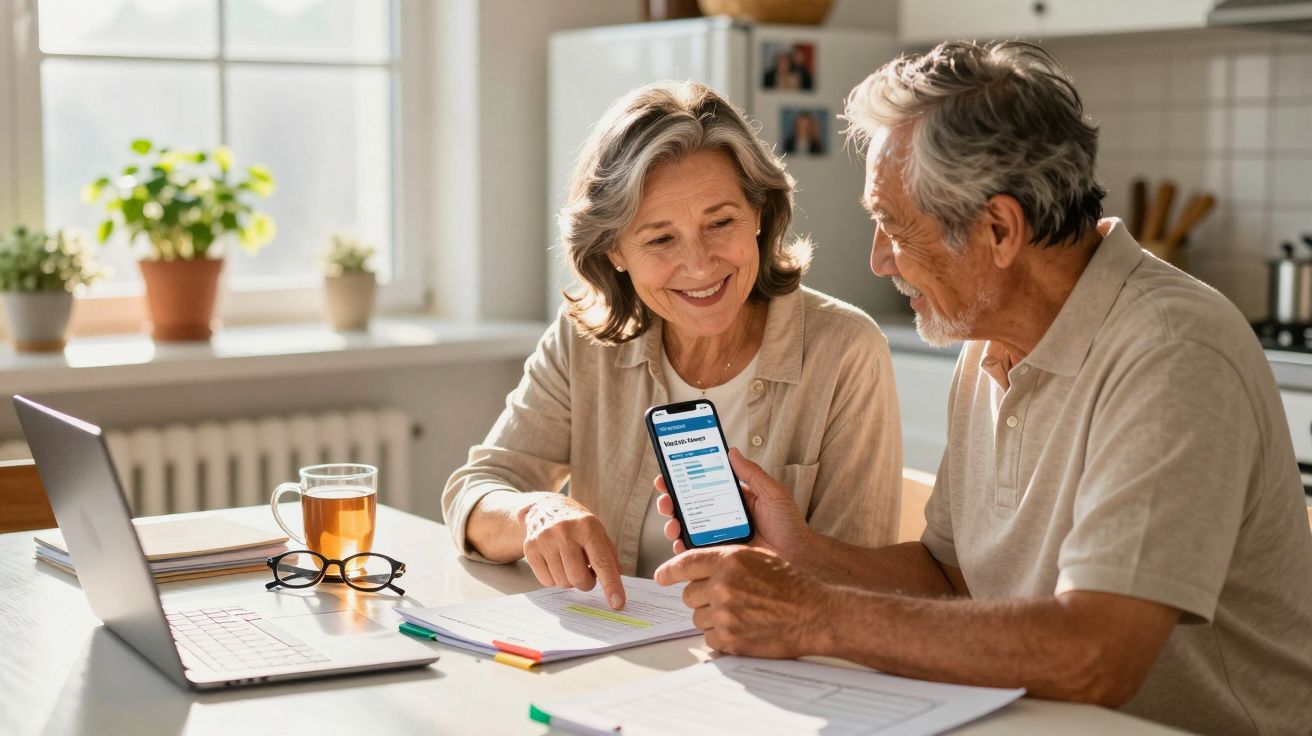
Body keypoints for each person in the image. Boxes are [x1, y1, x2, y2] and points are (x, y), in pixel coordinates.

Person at [654, 42, 1312, 736]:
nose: (878, 260)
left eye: (893, 226)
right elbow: (952, 578)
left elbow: (1098, 652)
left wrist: (812, 615)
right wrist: (802, 554)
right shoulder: (988, 340)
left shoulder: (1171, 352)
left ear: (999, 230)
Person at [442, 80, 902, 612]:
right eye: (661, 239)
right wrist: (534, 515)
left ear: (759, 214)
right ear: (614, 249)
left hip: (774, 665)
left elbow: (860, 582)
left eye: (721, 222)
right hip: (617, 655)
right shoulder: (585, 339)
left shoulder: (846, 350)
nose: (701, 265)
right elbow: (475, 490)